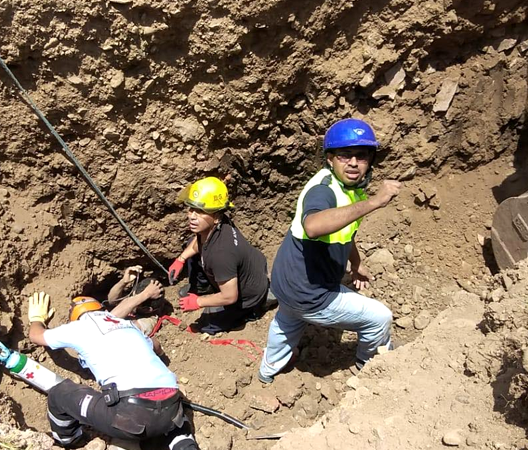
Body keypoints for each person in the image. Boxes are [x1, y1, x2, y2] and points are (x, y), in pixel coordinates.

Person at [258, 118, 401, 384]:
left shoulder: (348, 190)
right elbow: (313, 226)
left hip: (285, 283)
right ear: (330, 159)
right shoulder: (323, 191)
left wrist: (355, 264)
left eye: (362, 156)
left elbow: (346, 233)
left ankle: (267, 370)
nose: (354, 163)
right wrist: (376, 202)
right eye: (345, 155)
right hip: (310, 293)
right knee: (380, 318)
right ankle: (370, 367)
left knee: (287, 321)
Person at [27, 291, 198, 449]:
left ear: (74, 317)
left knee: (59, 394)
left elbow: (36, 336)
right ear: (101, 309)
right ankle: (182, 440)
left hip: (132, 417)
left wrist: (37, 319)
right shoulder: (127, 324)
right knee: (172, 427)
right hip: (172, 408)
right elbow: (157, 346)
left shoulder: (78, 327)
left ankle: (69, 440)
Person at [167, 177, 270, 334]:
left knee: (206, 324)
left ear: (216, 217)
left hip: (247, 297)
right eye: (191, 209)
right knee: (190, 243)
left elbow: (230, 297)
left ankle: (252, 312)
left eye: (201, 211)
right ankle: (203, 289)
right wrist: (180, 259)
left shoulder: (221, 254)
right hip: (250, 269)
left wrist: (198, 302)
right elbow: (198, 241)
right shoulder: (219, 223)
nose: (192, 216)